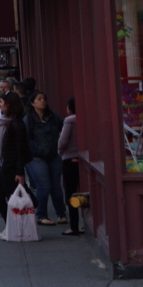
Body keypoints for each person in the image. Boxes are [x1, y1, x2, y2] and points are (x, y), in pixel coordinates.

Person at [24, 91, 69, 226]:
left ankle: (61, 214)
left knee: (56, 186)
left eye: (44, 99)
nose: (42, 101)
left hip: (54, 155)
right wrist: (36, 150)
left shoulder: (53, 117)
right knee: (43, 185)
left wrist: (60, 147)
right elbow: (26, 139)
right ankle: (41, 215)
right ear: (32, 103)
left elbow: (64, 129)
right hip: (36, 157)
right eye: (39, 99)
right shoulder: (28, 120)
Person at [0, 92, 30, 221]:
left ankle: (13, 227)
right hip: (7, 164)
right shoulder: (11, 123)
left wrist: (19, 172)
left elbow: (20, 150)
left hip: (11, 167)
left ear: (8, 105)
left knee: (6, 197)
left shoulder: (16, 124)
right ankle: (11, 226)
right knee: (3, 196)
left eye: (1, 102)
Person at [59, 96, 83, 236]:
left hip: (69, 159)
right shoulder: (85, 118)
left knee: (71, 193)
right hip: (82, 158)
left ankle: (74, 225)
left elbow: (63, 141)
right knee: (84, 191)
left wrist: (60, 152)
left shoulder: (69, 120)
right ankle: (85, 222)